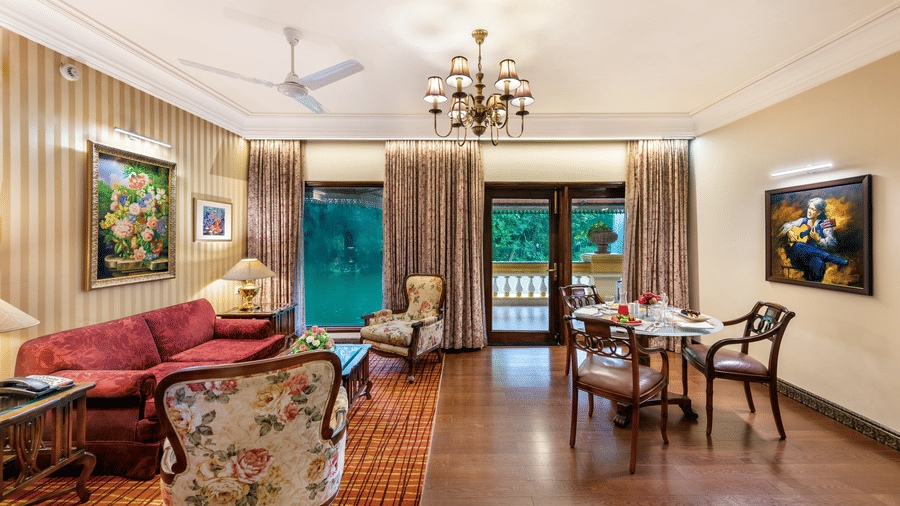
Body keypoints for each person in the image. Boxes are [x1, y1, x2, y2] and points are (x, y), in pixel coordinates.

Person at [777, 197, 847, 282]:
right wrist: (789, 231)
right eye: (809, 208)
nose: (809, 211)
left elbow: (833, 244)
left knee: (819, 262)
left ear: (819, 212)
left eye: (813, 209)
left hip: (812, 258)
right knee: (799, 245)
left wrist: (819, 240)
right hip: (798, 258)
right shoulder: (802, 221)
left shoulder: (824, 225)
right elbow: (786, 225)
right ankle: (833, 259)